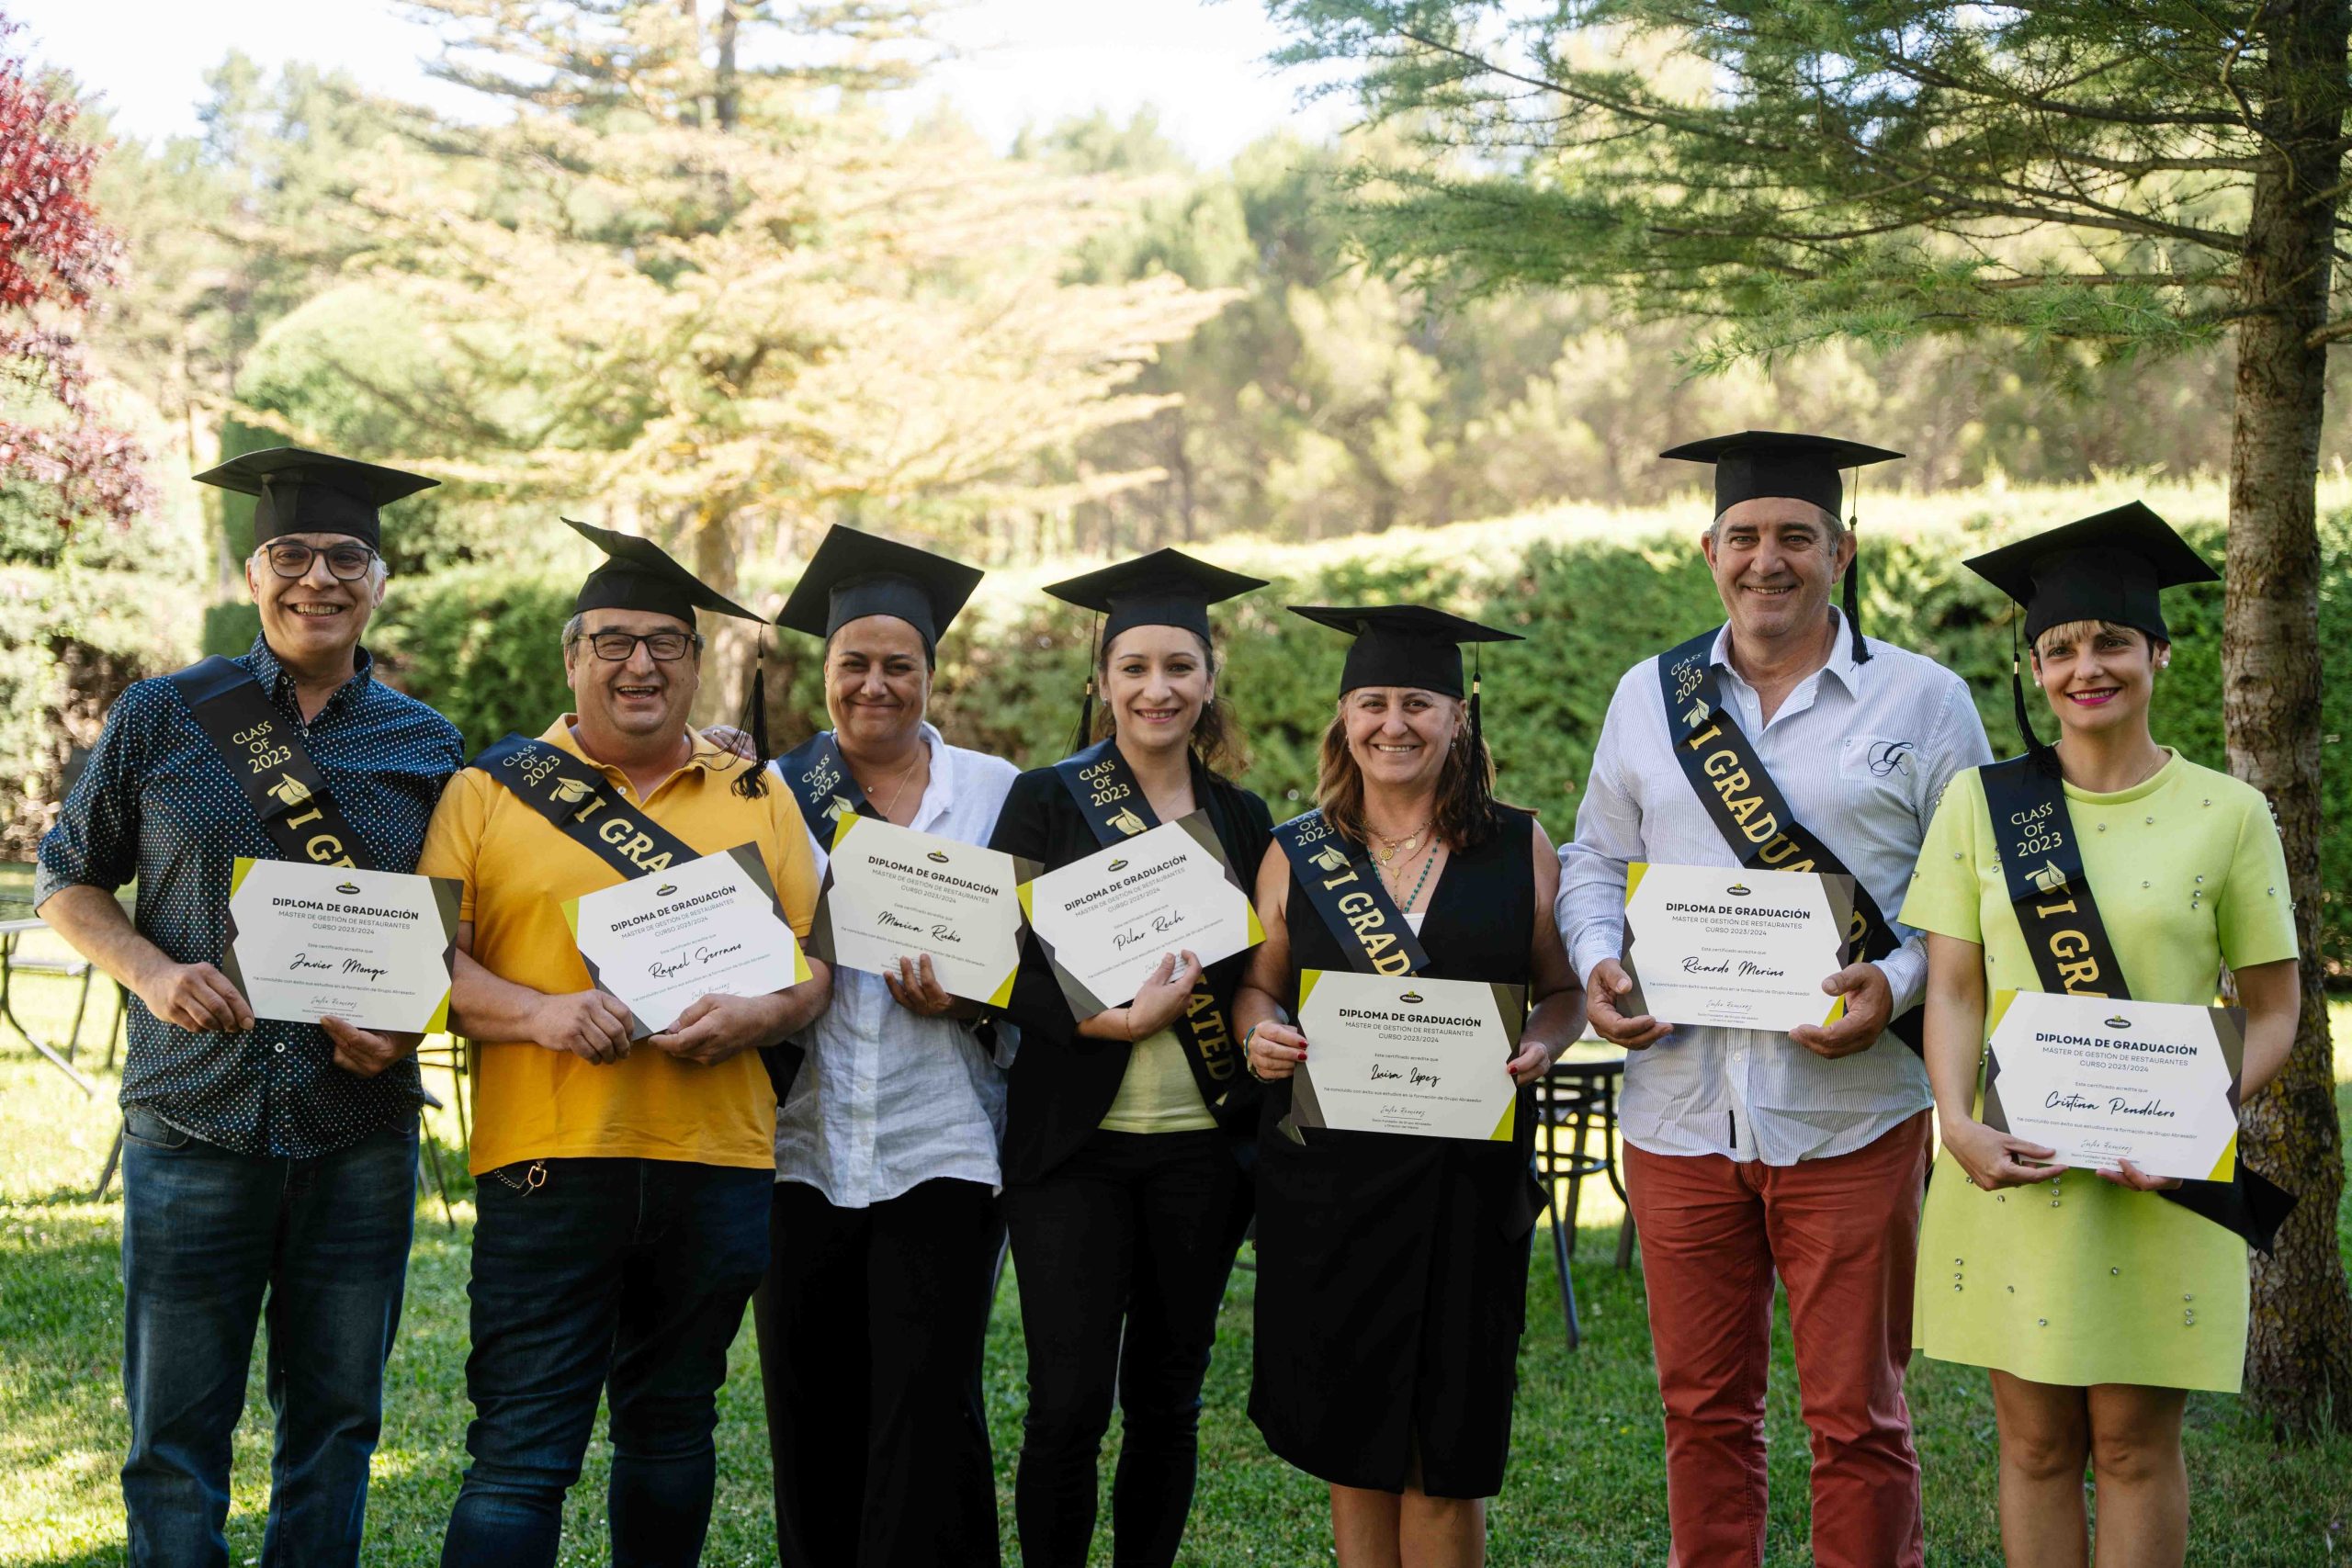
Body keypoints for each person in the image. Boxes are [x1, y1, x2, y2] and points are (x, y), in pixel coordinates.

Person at [1557, 430, 1994, 1568]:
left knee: (1858, 1420)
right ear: (1707, 551)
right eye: (1744, 537)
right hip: (1677, 1110)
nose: (1767, 561)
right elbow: (1596, 857)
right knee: (1700, 1413)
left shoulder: (1928, 701)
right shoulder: (1645, 698)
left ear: (1840, 551)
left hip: (1853, 1115)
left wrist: (1892, 981)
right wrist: (1599, 959)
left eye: (1794, 537)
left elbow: (1972, 904)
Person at [36, 447, 461, 1568]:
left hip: (356, 1134)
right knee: (174, 1435)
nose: (316, 578)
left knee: (336, 1428)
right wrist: (152, 974)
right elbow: (68, 881)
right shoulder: (164, 714)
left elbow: (464, 935)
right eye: (292, 555)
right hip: (191, 1122)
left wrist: (407, 1023)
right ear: (251, 567)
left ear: (378, 580)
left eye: (344, 558)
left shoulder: (430, 746)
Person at [424, 518, 831, 1568]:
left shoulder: (760, 793)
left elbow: (812, 966)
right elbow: (429, 963)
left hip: (716, 1161)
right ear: (572, 657)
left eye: (664, 642)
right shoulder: (485, 792)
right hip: (549, 1161)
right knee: (521, 1450)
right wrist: (543, 1014)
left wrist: (759, 1013)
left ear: (698, 662)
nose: (638, 663)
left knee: (672, 1427)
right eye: (612, 641)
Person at [1903, 502, 2300, 1568]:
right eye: (2061, 648)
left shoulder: (2228, 813)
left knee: (2132, 1447)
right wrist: (1954, 1124)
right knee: (2032, 1446)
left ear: (2157, 652)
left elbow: (2275, 1009)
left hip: (2155, 1182)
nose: (2088, 668)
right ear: (2035, 667)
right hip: (2013, 1173)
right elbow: (1949, 989)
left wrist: (2197, 1124)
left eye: (2111, 642)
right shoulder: (1981, 807)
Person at [1238, 604, 1585, 1568]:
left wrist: (1546, 1044)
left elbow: (1561, 991)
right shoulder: (1295, 848)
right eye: (1372, 702)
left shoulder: (1519, 846)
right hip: (1332, 1191)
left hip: (1466, 1192)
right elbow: (1258, 987)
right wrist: (1261, 1035)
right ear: (1343, 719)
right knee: (1355, 1449)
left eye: (1417, 703)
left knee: (1447, 1448)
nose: (1393, 723)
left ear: (1458, 717)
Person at [986, 548, 1272, 1568]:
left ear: (1208, 678)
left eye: (1180, 667)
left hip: (1202, 1154)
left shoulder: (1241, 819)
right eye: (1136, 667)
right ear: (1102, 679)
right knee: (1065, 1404)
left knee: (1168, 1398)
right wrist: (1096, 1022)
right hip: (1074, 1151)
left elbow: (1258, 975)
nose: (1159, 689)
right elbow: (995, 964)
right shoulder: (1043, 802)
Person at [749, 525, 1016, 1568]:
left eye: (897, 665)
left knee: (928, 1407)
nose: (874, 684)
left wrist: (976, 998)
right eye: (852, 664)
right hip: (798, 1143)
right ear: (824, 673)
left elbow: (1037, 965)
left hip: (943, 1139)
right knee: (807, 1404)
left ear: (930, 675)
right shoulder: (768, 790)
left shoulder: (997, 794)